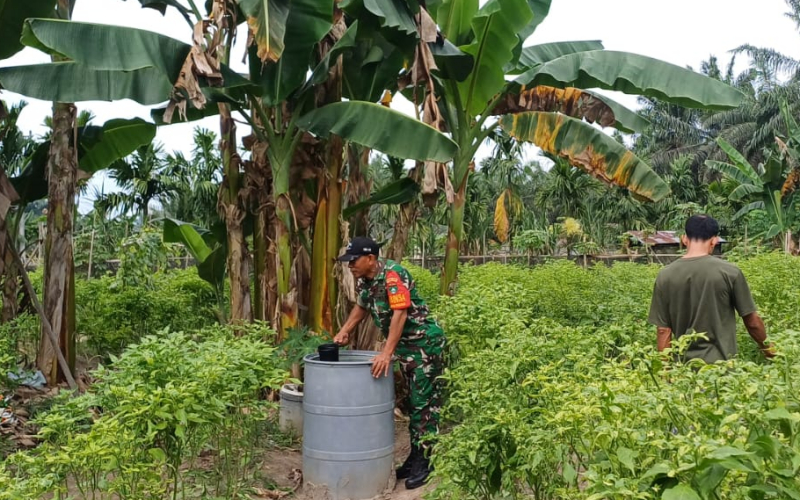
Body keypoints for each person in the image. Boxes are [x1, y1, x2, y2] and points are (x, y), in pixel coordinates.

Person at [333, 236, 445, 490]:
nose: (350, 265)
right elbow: (362, 307)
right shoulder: (366, 279)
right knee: (414, 402)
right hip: (407, 348)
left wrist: (386, 353)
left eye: (354, 260)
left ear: (370, 258)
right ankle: (416, 456)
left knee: (423, 403)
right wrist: (345, 331)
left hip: (423, 344)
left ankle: (426, 460)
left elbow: (400, 313)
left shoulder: (394, 275)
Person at [648, 214, 774, 362]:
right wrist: (770, 352)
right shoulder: (730, 272)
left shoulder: (665, 275)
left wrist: (666, 369)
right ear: (714, 241)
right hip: (722, 368)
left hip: (684, 370)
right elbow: (752, 322)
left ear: (684, 239)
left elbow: (663, 330)